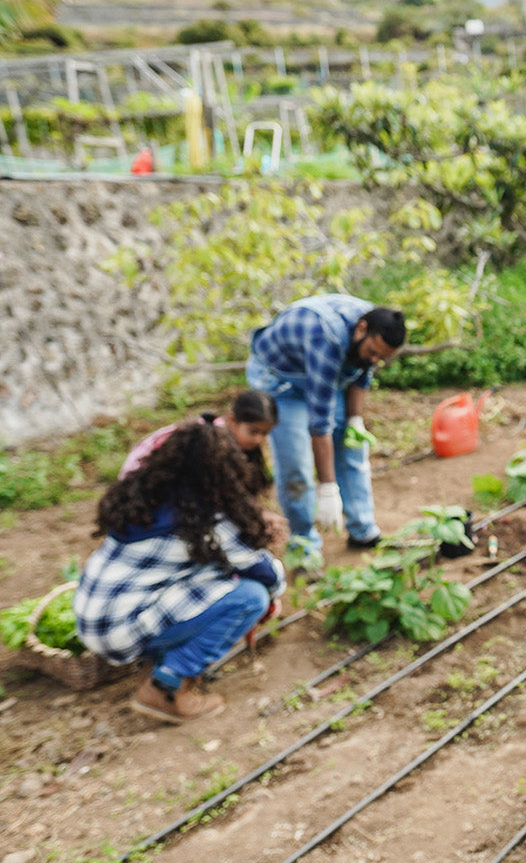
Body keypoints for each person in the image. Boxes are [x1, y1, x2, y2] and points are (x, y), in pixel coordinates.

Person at [74, 421, 287, 723]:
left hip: (93, 616)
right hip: (116, 630)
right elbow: (264, 571)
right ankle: (166, 687)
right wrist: (274, 595)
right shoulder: (205, 522)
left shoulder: (146, 499)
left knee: (206, 581)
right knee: (250, 597)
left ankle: (157, 661)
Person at [244, 295, 406, 567]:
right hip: (280, 378)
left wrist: (354, 421)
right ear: (361, 329)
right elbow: (320, 425)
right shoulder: (327, 336)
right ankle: (305, 546)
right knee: (296, 466)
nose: (377, 360)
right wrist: (328, 489)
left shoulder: (374, 329)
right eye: (374, 353)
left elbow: (362, 371)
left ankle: (363, 531)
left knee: (352, 446)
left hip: (322, 369)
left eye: (383, 358)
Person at [120, 389, 290, 550]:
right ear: (232, 420)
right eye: (253, 431)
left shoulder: (232, 444)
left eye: (265, 433)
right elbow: (226, 496)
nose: (259, 439)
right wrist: (255, 516)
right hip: (143, 498)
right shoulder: (209, 445)